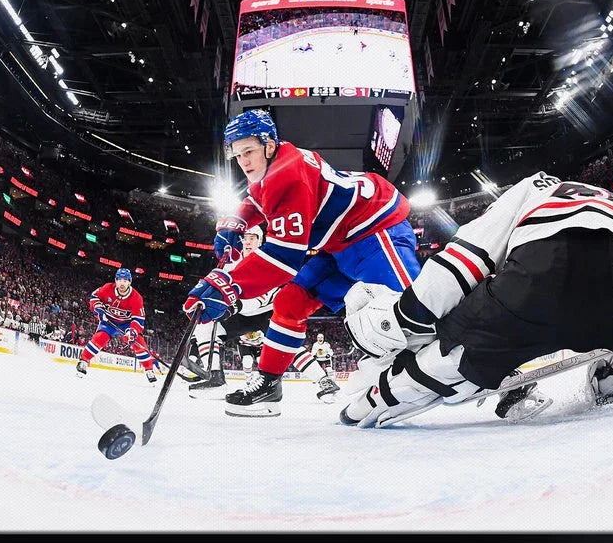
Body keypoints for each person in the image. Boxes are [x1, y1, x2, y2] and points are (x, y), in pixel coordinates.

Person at [339, 173, 613, 428]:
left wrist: (410, 315)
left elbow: (468, 256)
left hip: (539, 275)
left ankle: (383, 396)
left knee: (445, 361)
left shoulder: (533, 185)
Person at [183, 108, 420, 417]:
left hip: (375, 229)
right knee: (289, 302)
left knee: (417, 312)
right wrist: (236, 221)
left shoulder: (288, 175)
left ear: (269, 145)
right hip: (339, 242)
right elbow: (256, 199)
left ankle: (487, 360)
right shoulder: (273, 166)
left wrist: (228, 285)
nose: (243, 161)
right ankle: (268, 384)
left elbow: (284, 258)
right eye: (238, 154)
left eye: (249, 151)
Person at [186, 225, 340, 403]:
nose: (248, 241)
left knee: (287, 344)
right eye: (246, 237)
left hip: (267, 311)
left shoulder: (269, 260)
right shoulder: (230, 262)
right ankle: (215, 377)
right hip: (240, 312)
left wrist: (233, 305)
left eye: (253, 237)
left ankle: (324, 381)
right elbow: (219, 289)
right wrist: (204, 299)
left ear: (261, 241)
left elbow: (261, 296)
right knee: (204, 325)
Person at [77, 268, 160, 384]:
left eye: (125, 280)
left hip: (127, 324)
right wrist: (98, 308)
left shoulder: (136, 297)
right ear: (115, 281)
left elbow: (138, 319)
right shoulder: (107, 288)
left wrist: (132, 332)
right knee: (100, 338)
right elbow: (94, 297)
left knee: (140, 345)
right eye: (119, 280)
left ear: (130, 282)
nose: (122, 283)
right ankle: (84, 361)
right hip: (109, 321)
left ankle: (148, 370)